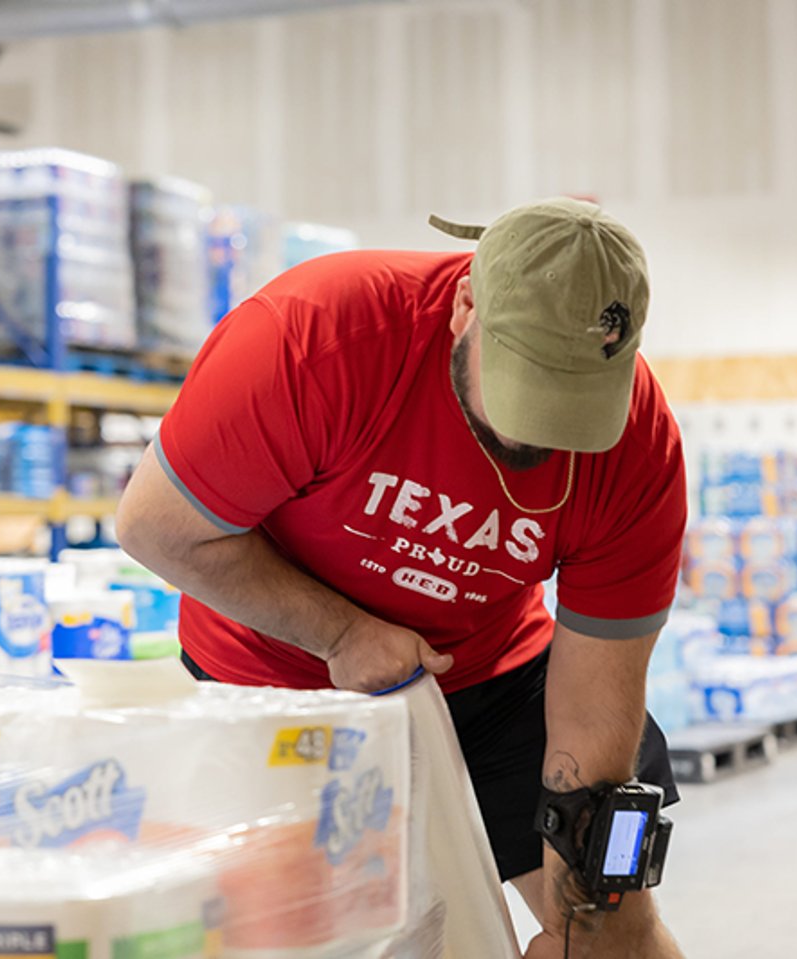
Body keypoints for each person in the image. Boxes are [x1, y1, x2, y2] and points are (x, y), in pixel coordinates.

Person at [116, 197, 687, 958]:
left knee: (615, 930)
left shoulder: (639, 448)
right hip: (270, 673)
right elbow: (156, 527)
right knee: (294, 931)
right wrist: (340, 631)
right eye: (521, 394)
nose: (539, 435)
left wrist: (581, 923)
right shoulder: (318, 337)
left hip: (489, 674)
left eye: (570, 406)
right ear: (464, 306)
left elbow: (593, 714)